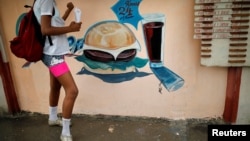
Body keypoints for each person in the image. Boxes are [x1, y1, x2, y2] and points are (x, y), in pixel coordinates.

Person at [33, 0, 82, 141]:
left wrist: (67, 11)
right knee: (72, 91)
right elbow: (46, 29)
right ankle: (65, 132)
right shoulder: (47, 1)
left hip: (53, 53)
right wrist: (71, 29)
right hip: (53, 56)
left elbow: (55, 23)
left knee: (55, 87)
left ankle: (53, 118)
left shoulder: (45, 2)